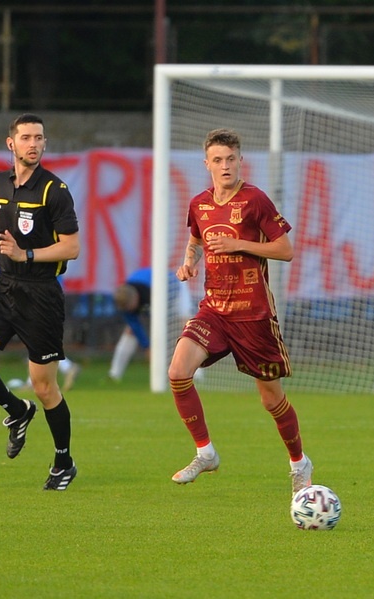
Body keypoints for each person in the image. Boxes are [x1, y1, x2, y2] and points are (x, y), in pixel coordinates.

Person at [168, 128, 313, 496]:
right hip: (214, 310)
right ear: (207, 164)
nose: (225, 165)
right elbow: (196, 239)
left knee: (271, 400)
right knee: (177, 372)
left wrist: (238, 243)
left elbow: (285, 249)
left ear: (240, 160)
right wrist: (188, 263)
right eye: (217, 160)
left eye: (231, 159)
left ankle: (299, 463)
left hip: (253, 314)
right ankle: (205, 452)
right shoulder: (199, 203)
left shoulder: (255, 200)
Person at [0, 113, 80, 491]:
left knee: (44, 387)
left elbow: (72, 247)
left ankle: (63, 462)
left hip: (41, 293)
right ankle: (16, 409)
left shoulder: (54, 190)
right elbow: (1, 232)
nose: (34, 144)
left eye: (39, 138)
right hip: (4, 286)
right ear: (11, 143)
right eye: (26, 137)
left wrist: (26, 255)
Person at [109, 266, 196, 382]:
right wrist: (147, 346)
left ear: (135, 299)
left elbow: (161, 321)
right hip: (160, 298)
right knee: (130, 331)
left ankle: (196, 373)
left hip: (175, 290)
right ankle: (114, 374)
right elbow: (136, 326)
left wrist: (151, 348)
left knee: (187, 327)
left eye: (130, 308)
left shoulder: (153, 291)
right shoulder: (125, 300)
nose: (129, 311)